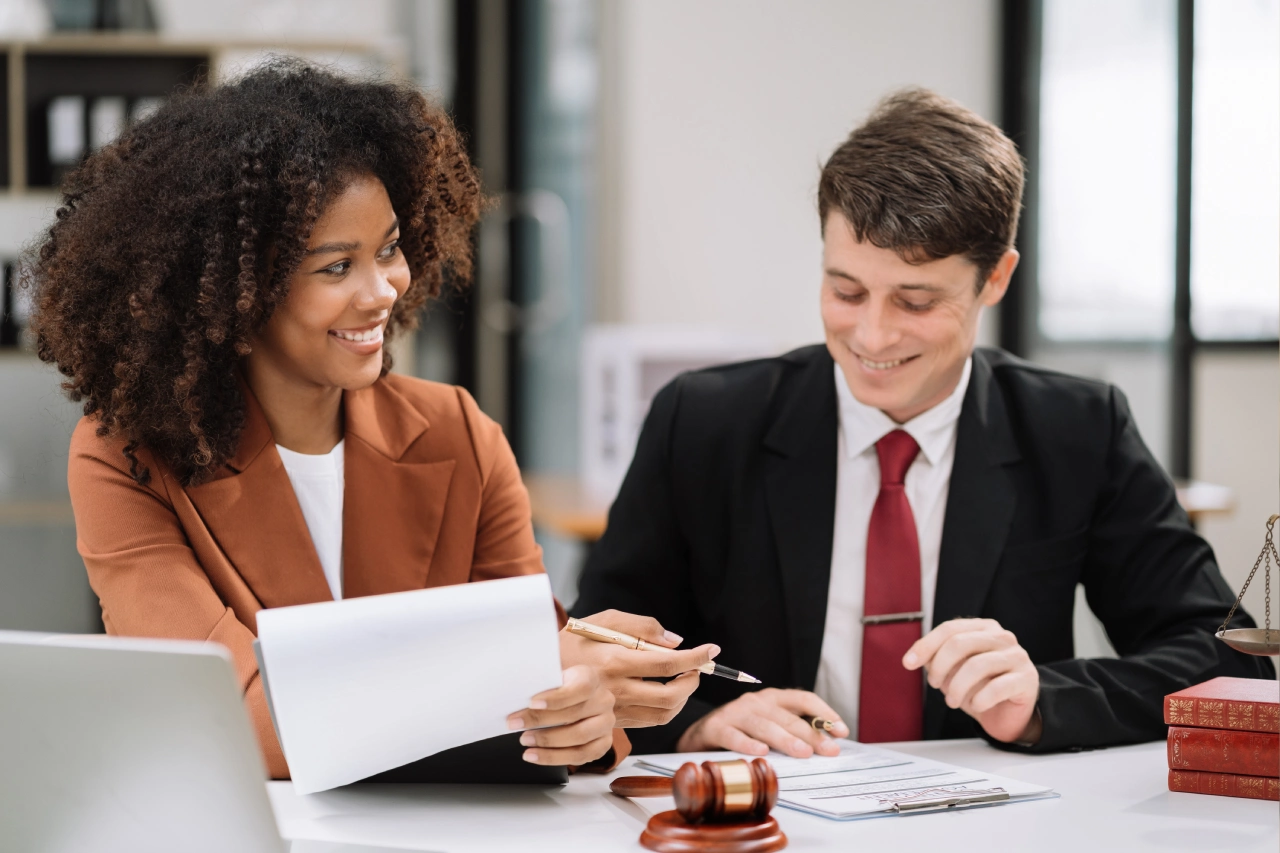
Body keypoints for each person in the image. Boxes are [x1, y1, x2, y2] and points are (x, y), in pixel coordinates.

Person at [31, 61, 716, 779]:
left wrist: (585, 714)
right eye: (336, 267)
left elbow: (550, 689)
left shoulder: (459, 434)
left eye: (388, 250)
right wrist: (526, 676)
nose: (384, 288)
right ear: (237, 291)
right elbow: (225, 714)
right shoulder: (128, 456)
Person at [572, 88, 1273, 758]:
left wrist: (1041, 701)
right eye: (846, 290)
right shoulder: (703, 422)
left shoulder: (1076, 428)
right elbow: (596, 653)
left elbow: (1225, 656)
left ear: (995, 278)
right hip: (766, 812)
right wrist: (701, 722)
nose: (872, 336)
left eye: (914, 301)